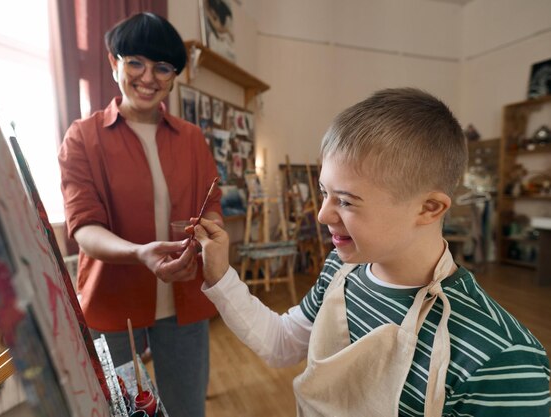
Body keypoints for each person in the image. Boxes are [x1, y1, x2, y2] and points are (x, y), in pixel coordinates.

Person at [192, 88, 551, 416]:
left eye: (346, 201)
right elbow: (282, 343)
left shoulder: (505, 360)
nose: (322, 214)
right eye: (324, 192)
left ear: (428, 208)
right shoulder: (340, 269)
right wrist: (221, 275)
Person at [58, 12, 222, 417]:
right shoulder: (84, 136)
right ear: (114, 64)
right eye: (136, 62)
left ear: (173, 76)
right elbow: (84, 227)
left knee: (186, 409)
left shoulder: (192, 138)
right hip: (112, 305)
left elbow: (211, 206)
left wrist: (208, 238)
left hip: (184, 303)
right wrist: (138, 253)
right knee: (122, 411)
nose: (148, 77)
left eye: (162, 67)